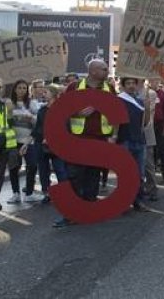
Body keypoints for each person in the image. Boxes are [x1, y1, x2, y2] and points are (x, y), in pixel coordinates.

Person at [55, 59, 116, 227]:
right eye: (104, 69)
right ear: (93, 71)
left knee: (93, 174)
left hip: (99, 139)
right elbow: (60, 110)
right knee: (74, 175)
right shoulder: (74, 87)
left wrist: (113, 136)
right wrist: (76, 113)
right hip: (77, 140)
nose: (107, 72)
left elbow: (116, 114)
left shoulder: (109, 88)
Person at [115, 77, 152, 211]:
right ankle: (123, 202)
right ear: (123, 86)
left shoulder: (140, 102)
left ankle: (138, 201)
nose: (131, 86)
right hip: (124, 140)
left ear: (137, 86)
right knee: (125, 174)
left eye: (133, 83)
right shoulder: (119, 100)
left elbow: (146, 123)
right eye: (128, 83)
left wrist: (147, 108)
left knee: (139, 174)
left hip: (139, 141)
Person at [29, 84, 66, 203]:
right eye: (43, 92)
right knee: (43, 171)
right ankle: (47, 193)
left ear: (54, 94)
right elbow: (38, 127)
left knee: (60, 169)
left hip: (57, 144)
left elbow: (63, 127)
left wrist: (51, 137)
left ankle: (64, 193)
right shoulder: (42, 110)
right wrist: (28, 142)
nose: (43, 94)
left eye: (46, 92)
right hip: (40, 144)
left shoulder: (61, 109)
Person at [7, 79, 40, 203]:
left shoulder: (31, 103)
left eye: (24, 88)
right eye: (19, 88)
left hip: (29, 140)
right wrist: (12, 113)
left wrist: (30, 117)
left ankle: (29, 193)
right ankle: (15, 193)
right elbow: (5, 119)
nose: (22, 90)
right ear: (15, 89)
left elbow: (38, 122)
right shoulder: (9, 103)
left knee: (32, 165)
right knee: (14, 167)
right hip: (13, 141)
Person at [0, 78, 16, 211]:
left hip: (3, 145)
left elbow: (9, 125)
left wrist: (11, 112)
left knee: (0, 174)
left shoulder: (6, 104)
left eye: (0, 87)